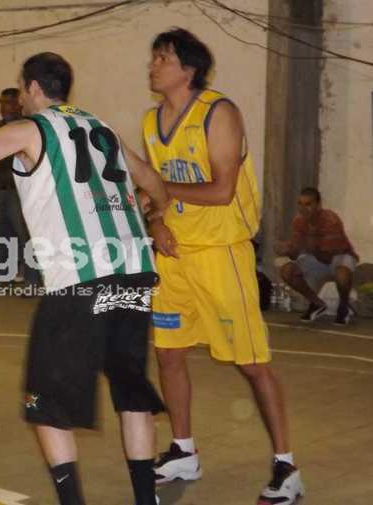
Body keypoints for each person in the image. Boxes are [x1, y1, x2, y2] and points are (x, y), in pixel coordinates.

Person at [0, 52, 168, 505]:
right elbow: (153, 181)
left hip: (81, 278)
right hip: (133, 274)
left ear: (33, 88)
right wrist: (152, 213)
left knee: (43, 402)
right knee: (131, 391)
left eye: (21, 89)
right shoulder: (102, 128)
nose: (20, 97)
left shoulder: (29, 129)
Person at [142, 29, 304, 505]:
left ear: (188, 69)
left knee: (252, 364)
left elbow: (221, 190)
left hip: (220, 253)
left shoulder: (219, 113)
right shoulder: (151, 122)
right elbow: (153, 191)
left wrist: (161, 193)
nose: (153, 65)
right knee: (168, 353)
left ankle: (287, 466)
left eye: (163, 58)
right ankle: (183, 451)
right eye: (153, 58)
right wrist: (156, 221)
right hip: (174, 255)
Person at [275, 187, 358, 324]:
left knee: (342, 274)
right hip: (316, 256)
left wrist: (308, 246)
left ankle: (343, 306)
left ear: (318, 205)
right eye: (300, 204)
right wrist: (287, 250)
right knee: (286, 270)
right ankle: (316, 303)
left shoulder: (331, 220)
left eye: (308, 204)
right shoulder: (298, 221)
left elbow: (327, 257)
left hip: (338, 255)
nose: (303, 208)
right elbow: (295, 255)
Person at [0, 87, 38, 285]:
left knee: (25, 235)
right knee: (3, 234)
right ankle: (4, 273)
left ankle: (33, 280)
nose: (3, 107)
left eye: (8, 103)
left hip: (19, 191)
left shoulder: (27, 127)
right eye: (1, 103)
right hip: (0, 189)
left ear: (19, 105)